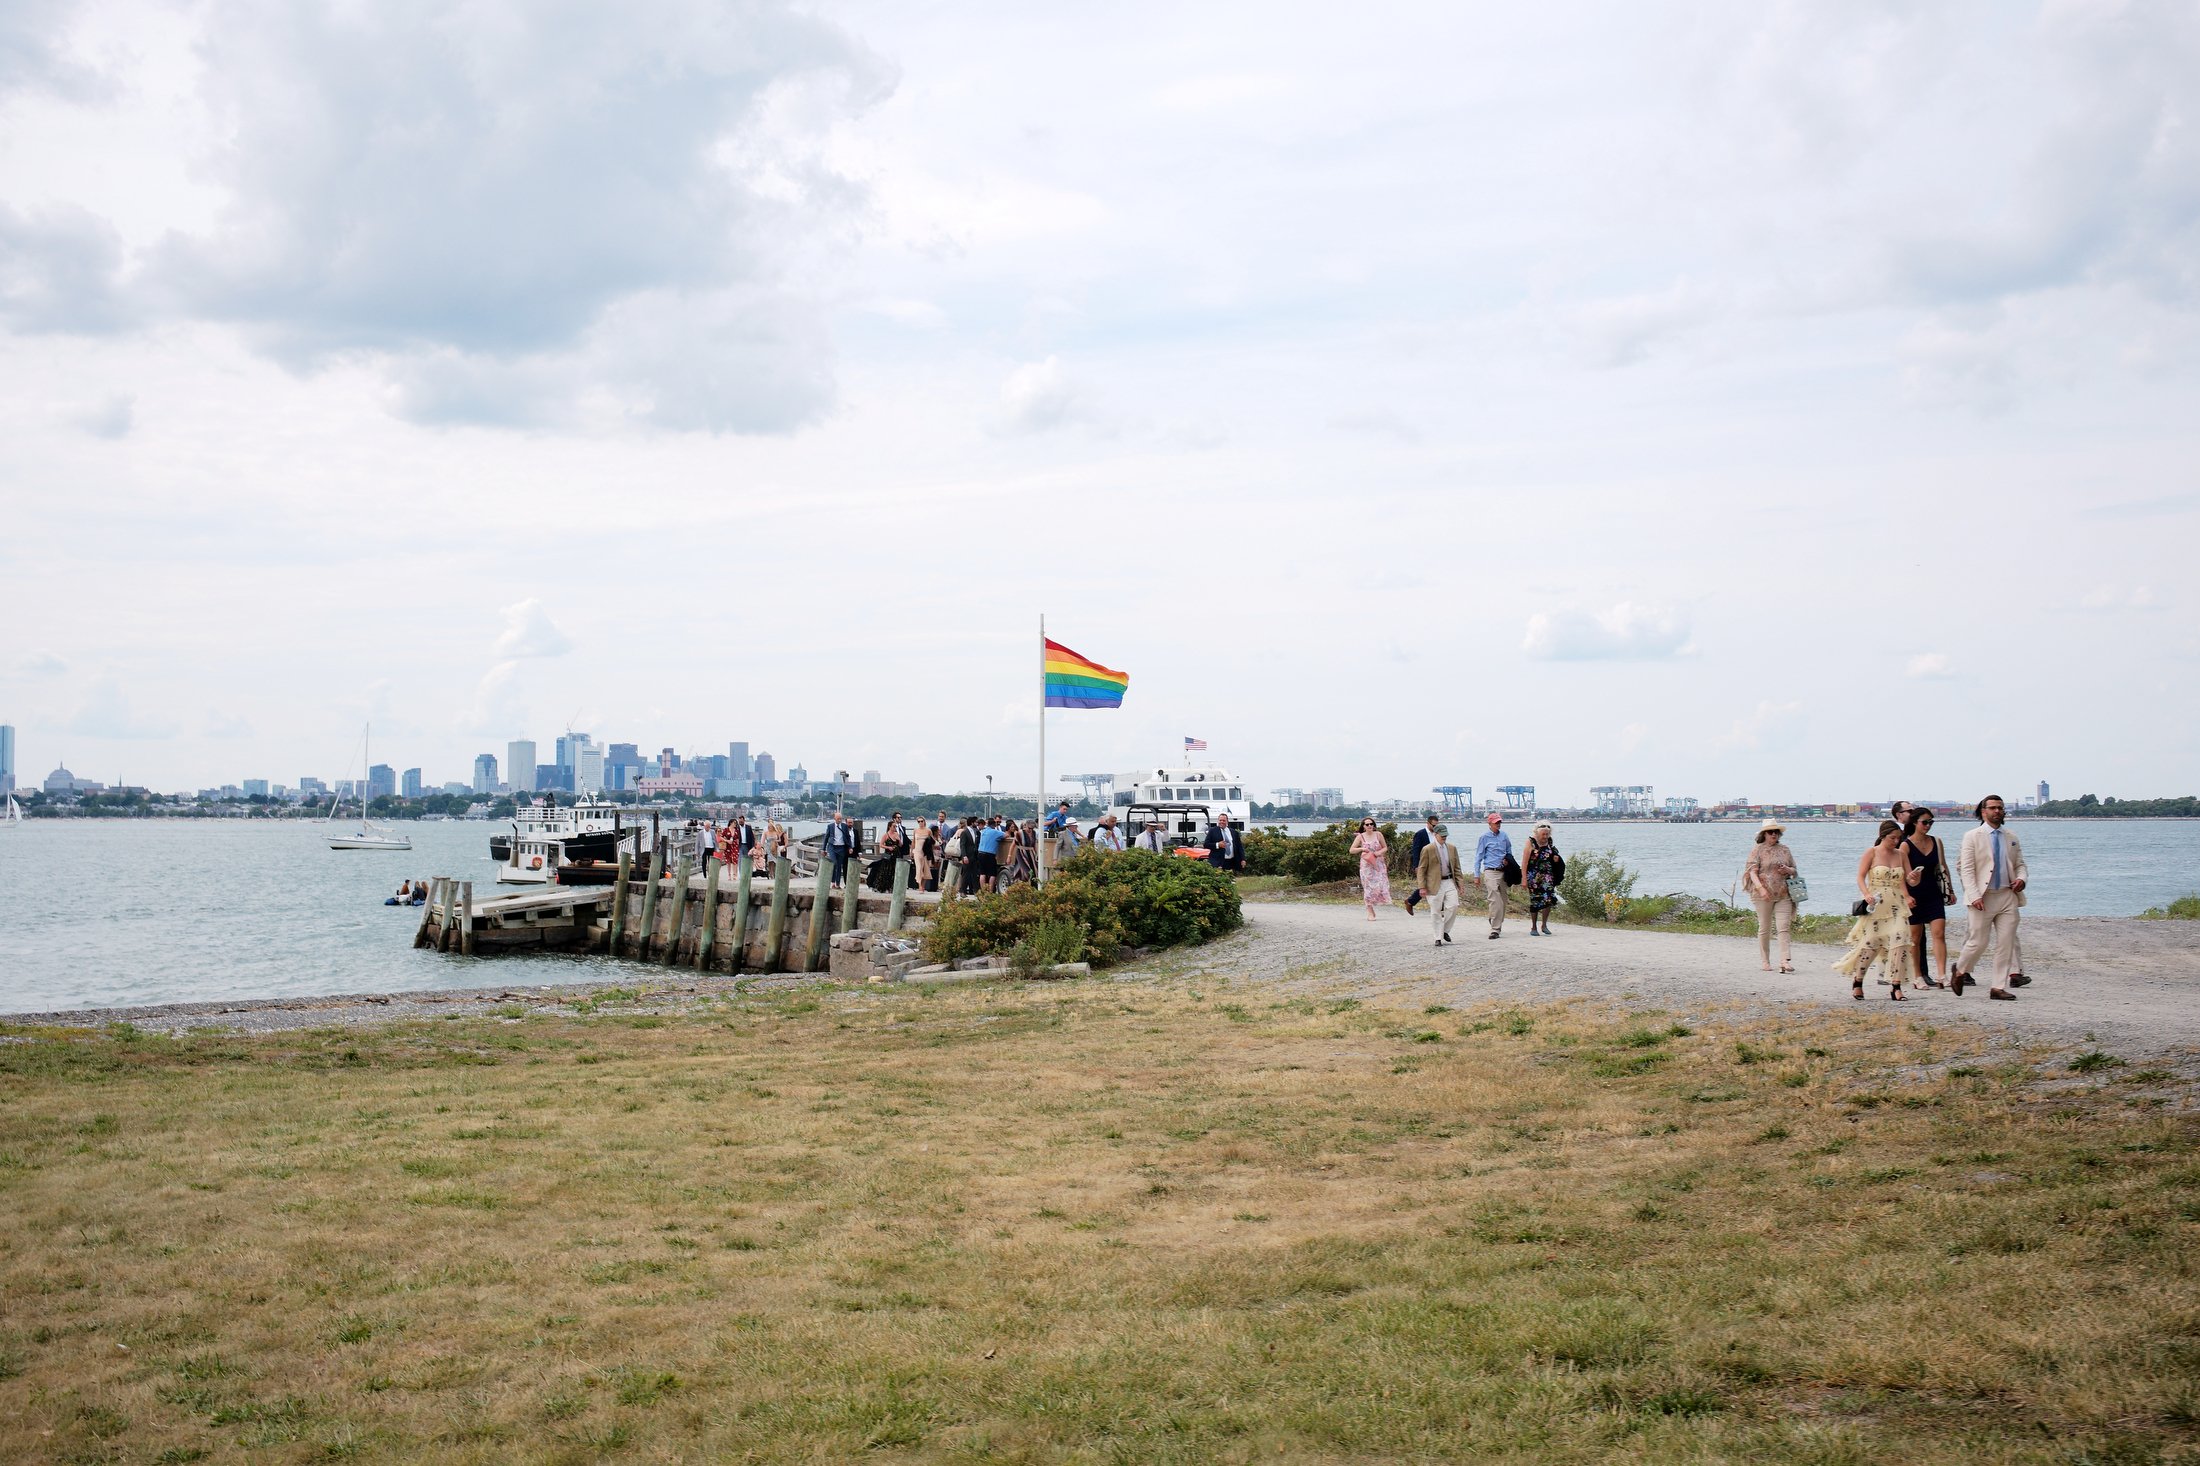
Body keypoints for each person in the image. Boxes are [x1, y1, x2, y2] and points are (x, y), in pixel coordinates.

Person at [1951, 795, 2027, 1000]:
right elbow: (1966, 869)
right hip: (1982, 898)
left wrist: (2021, 879)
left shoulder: (2011, 836)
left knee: (2006, 942)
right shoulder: (1972, 836)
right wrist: (1974, 895)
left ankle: (1997, 987)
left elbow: (2020, 864)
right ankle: (1959, 970)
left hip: (2007, 896)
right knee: (1978, 942)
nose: (1997, 811)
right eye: (1993, 808)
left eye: (2000, 808)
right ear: (1983, 812)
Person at [1833, 820, 1915, 1000]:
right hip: (1877, 903)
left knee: (1900, 940)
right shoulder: (1872, 852)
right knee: (1871, 944)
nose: (1895, 841)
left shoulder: (1901, 854)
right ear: (1882, 836)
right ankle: (1858, 980)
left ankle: (1896, 985)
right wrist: (1866, 894)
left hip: (1897, 904)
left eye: (1898, 838)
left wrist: (1913, 881)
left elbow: (1909, 880)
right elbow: (1860, 876)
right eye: (1892, 838)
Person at [1742, 819, 1799, 973]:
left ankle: (1784, 961)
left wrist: (1788, 869)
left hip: (1783, 893)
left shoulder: (1785, 850)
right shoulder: (1757, 850)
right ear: (1764, 834)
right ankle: (1765, 961)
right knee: (1764, 928)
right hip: (1762, 894)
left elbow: (1795, 870)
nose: (1774, 834)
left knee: (1784, 927)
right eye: (1770, 832)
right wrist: (1761, 888)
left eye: (1776, 832)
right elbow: (1751, 872)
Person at [1904, 808, 1952, 989]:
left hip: (1934, 893)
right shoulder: (1906, 845)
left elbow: (1943, 867)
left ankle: (1942, 975)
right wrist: (1907, 894)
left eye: (1931, 822)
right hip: (1914, 895)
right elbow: (1903, 875)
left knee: (1939, 934)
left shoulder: (1936, 842)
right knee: (1915, 938)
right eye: (1925, 822)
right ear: (1915, 822)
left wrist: (1950, 890)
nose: (1928, 826)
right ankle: (1917, 976)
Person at [1416, 824, 1467, 945]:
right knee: (1436, 911)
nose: (1444, 837)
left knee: (1453, 906)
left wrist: (1460, 884)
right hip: (1433, 884)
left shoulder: (1452, 848)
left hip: (1449, 881)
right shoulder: (1427, 849)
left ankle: (1444, 930)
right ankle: (1437, 938)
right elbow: (1422, 869)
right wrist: (1422, 886)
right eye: (1442, 835)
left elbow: (1457, 868)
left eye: (1445, 835)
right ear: (1435, 834)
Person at [1472, 811, 1514, 939]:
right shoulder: (1484, 837)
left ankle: (1493, 918)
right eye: (1496, 823)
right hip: (1490, 871)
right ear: (1489, 823)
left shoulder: (1504, 836)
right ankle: (1495, 930)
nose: (1498, 825)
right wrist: (1476, 874)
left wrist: (1508, 860)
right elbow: (1478, 856)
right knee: (1495, 900)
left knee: (1503, 901)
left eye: (1499, 822)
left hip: (1503, 872)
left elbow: (1509, 851)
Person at [1520, 823, 1564, 936]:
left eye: (1547, 834)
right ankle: (1533, 926)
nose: (1545, 836)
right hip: (1533, 877)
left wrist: (1555, 859)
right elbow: (1524, 862)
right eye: (1543, 834)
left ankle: (1544, 925)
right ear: (1536, 833)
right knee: (1535, 900)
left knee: (1548, 899)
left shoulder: (1550, 842)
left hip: (1548, 876)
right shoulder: (1531, 842)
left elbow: (1553, 855)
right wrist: (1524, 879)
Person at [1348, 817, 1391, 920]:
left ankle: (1378, 901)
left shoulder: (1378, 834)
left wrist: (1379, 853)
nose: (1370, 826)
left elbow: (1385, 847)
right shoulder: (1360, 837)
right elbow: (1351, 850)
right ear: (1363, 826)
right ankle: (1370, 911)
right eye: (1367, 824)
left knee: (1380, 884)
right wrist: (1362, 848)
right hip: (1366, 865)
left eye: (1371, 824)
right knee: (1368, 887)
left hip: (1378, 863)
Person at [1405, 814, 1439, 915]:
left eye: (1436, 826)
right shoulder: (1420, 834)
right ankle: (1411, 901)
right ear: (1428, 823)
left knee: (1437, 883)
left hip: (1436, 864)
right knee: (1426, 884)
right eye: (1433, 826)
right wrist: (1416, 866)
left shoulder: (1437, 834)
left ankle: (1411, 901)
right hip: (1424, 864)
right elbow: (1416, 851)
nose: (1435, 828)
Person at [824, 811, 854, 888]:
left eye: (840, 819)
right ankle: (832, 882)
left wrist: (850, 847)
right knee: (834, 863)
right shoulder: (830, 826)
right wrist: (823, 849)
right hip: (832, 847)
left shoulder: (844, 826)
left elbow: (848, 837)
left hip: (841, 848)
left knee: (839, 866)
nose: (839, 820)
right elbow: (826, 837)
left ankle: (837, 884)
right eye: (838, 819)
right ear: (834, 818)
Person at [975, 816, 1004, 892]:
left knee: (982, 873)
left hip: (980, 853)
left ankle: (983, 891)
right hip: (990, 854)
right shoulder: (995, 832)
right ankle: (990, 891)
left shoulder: (983, 831)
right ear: (994, 825)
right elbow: (1006, 835)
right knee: (992, 873)